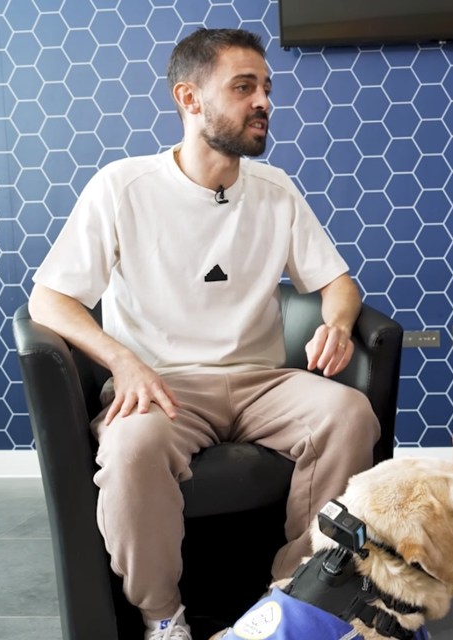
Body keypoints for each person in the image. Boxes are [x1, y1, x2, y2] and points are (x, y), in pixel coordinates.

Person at [28, 28, 380, 640]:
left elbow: (339, 282)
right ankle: (163, 616)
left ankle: (297, 597)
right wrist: (123, 362)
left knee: (349, 412)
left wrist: (337, 321)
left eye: (266, 88)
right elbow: (49, 299)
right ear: (189, 99)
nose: (263, 101)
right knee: (132, 448)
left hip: (260, 382)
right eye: (244, 88)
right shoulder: (122, 187)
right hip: (160, 385)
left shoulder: (276, 191)